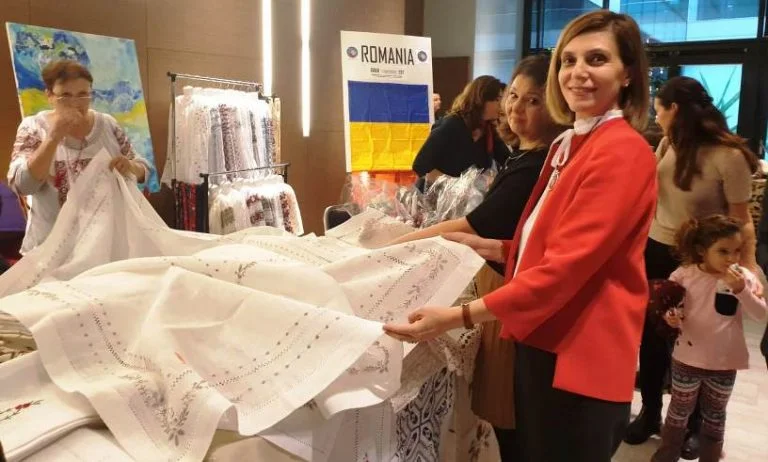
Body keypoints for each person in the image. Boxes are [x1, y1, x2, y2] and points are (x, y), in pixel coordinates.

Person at [385, 10, 655, 462]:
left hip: (580, 353)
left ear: (627, 73)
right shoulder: (571, 144)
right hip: (542, 338)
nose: (578, 72)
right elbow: (554, 242)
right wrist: (497, 248)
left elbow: (566, 270)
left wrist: (456, 317)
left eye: (596, 59)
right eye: (568, 60)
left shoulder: (621, 152)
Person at [390, 55, 563, 461]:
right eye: (513, 96)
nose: (516, 108)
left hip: (512, 290)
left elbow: (476, 225)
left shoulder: (537, 163)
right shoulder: (524, 153)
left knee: (508, 407)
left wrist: (403, 243)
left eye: (533, 101)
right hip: (502, 275)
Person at [625, 76, 760, 458]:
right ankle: (651, 411)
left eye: (659, 110)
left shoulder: (728, 156)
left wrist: (748, 266)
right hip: (656, 251)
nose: (657, 118)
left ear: (675, 110)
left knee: (701, 338)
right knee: (653, 336)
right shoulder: (669, 144)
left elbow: (742, 220)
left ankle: (697, 425)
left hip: (703, 261)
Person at [651, 215, 767, 462]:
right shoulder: (683, 275)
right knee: (678, 411)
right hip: (687, 358)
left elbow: (760, 314)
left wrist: (741, 290)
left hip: (724, 362)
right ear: (702, 250)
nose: (732, 258)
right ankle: (666, 455)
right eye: (723, 251)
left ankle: (711, 457)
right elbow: (671, 307)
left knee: (716, 415)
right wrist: (672, 317)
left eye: (737, 251)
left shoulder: (743, 278)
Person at [7, 60, 150, 255]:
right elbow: (22, 185)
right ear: (49, 96)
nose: (75, 103)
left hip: (108, 244)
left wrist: (131, 167)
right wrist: (53, 137)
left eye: (83, 94)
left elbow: (143, 169)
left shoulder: (108, 125)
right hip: (53, 248)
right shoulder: (33, 127)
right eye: (65, 95)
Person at [412, 76, 508, 188]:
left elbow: (507, 160)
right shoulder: (452, 124)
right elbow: (420, 165)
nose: (501, 105)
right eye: (497, 99)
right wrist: (455, 185)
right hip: (434, 194)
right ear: (481, 100)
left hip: (464, 196)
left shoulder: (489, 130)